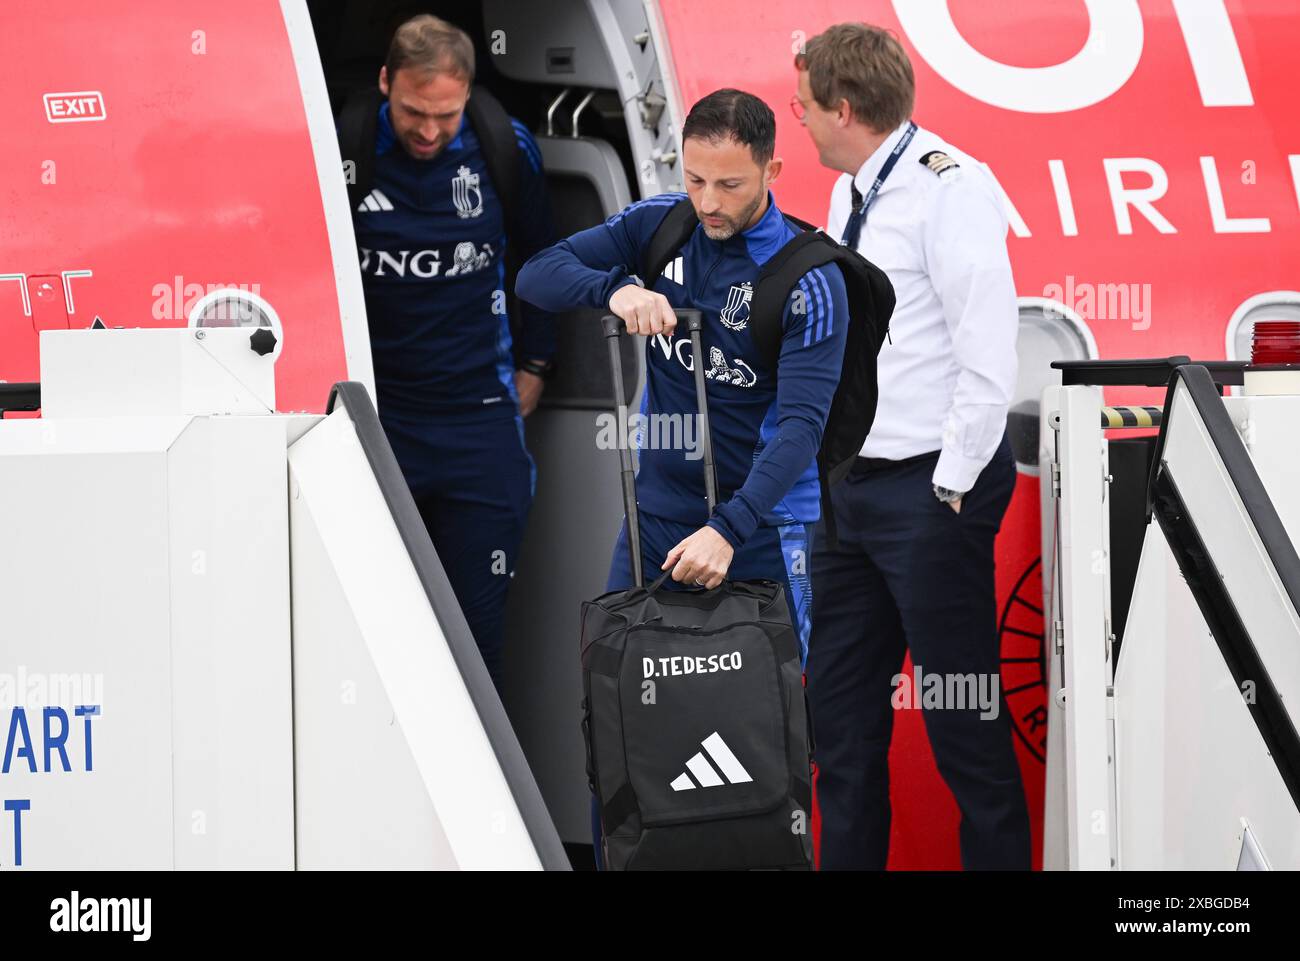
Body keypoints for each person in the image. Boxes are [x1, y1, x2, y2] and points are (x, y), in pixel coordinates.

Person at [516, 88, 847, 867]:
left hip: (761, 536)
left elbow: (800, 431)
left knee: (766, 747)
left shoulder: (809, 276)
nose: (709, 202)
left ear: (773, 168)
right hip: (655, 528)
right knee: (620, 730)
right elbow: (536, 274)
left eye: (729, 184)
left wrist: (729, 529)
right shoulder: (660, 226)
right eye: (696, 179)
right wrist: (616, 288)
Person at [793, 22, 1029, 869]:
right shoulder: (852, 188)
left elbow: (988, 348)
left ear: (846, 108)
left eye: (806, 108)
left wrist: (954, 481)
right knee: (842, 730)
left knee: (963, 723)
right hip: (848, 491)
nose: (802, 122)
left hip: (929, 492)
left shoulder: (948, 187)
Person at [347, 15, 557, 688]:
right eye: (413, 111)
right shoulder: (345, 147)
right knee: (367, 638)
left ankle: (484, 795)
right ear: (385, 83)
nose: (430, 130)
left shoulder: (502, 146)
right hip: (375, 427)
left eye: (446, 113)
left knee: (474, 639)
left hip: (479, 428)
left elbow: (544, 257)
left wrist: (537, 363)